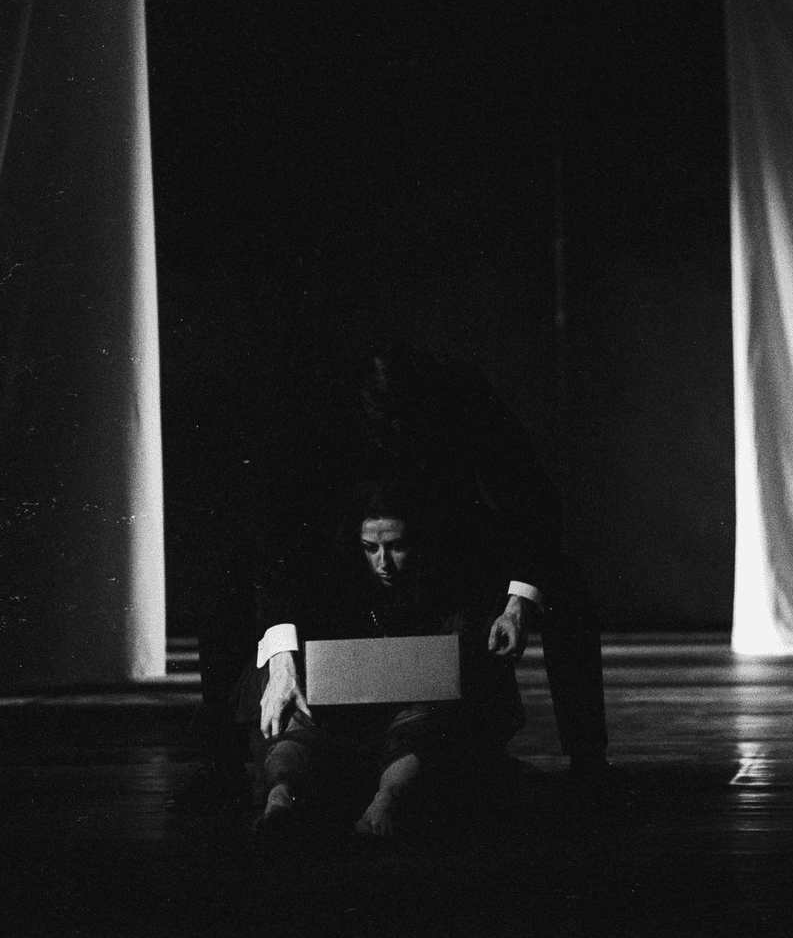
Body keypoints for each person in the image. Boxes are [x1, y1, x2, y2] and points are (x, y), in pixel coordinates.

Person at [253, 344, 609, 780]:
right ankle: (222, 765)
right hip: (348, 558)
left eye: (407, 427)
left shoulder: (464, 394)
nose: (395, 439)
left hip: (449, 551)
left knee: (565, 586)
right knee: (238, 585)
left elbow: (533, 498)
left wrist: (518, 605)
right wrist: (281, 659)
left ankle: (589, 764)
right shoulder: (320, 408)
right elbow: (278, 536)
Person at [251, 476, 525, 836]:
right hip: (341, 718)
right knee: (295, 730)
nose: (384, 563)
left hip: (413, 717)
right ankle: (280, 798)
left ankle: (386, 801)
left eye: (397, 547)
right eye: (370, 548)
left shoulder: (444, 586)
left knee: (419, 735)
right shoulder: (334, 584)